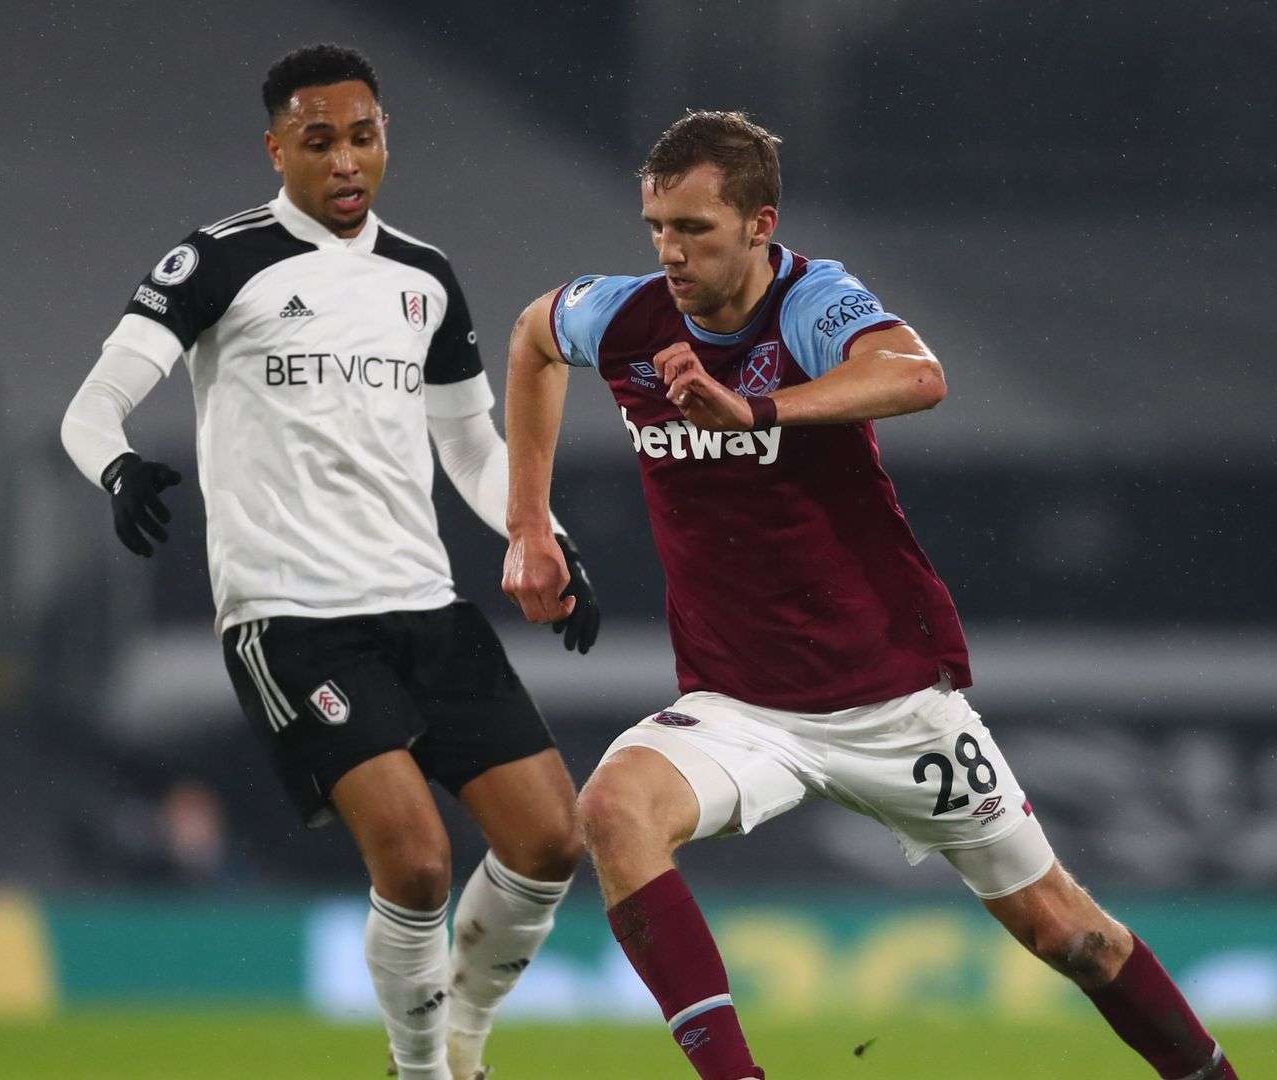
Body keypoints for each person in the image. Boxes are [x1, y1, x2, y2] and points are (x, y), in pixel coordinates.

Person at [500, 111, 1238, 1080]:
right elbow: (532, 336)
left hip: (891, 699)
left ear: (761, 225)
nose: (671, 253)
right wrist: (528, 525)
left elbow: (918, 376)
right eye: (657, 229)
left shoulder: (812, 301)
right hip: (739, 706)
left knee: (1073, 937)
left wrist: (754, 409)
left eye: (696, 230)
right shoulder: (628, 317)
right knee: (616, 807)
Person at [59, 43, 591, 1080]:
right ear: (276, 150)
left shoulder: (423, 278)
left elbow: (471, 444)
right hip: (292, 617)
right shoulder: (219, 260)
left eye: (364, 136)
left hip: (425, 604)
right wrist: (118, 469)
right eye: (320, 142)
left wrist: (541, 531)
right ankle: (420, 1067)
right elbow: (94, 405)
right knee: (420, 859)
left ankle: (467, 1040)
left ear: (386, 138)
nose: (346, 161)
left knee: (551, 842)